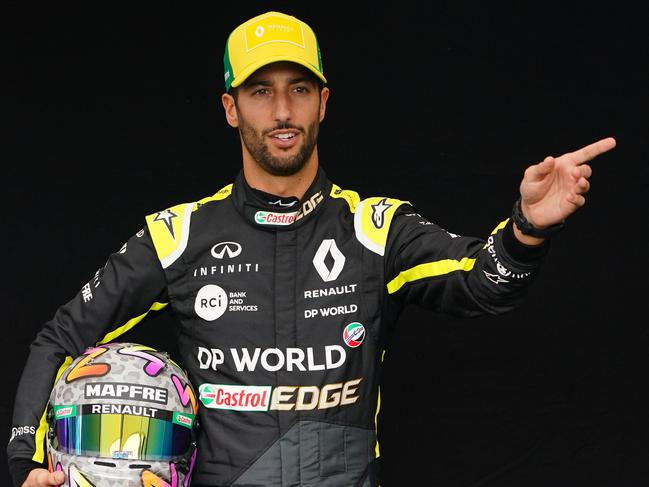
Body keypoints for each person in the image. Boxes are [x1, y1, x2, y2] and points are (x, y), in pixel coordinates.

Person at [7, 10, 616, 487]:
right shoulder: (178, 235)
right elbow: (62, 339)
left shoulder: (376, 228)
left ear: (323, 102)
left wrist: (529, 227)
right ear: (229, 107)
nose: (281, 111)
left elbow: (482, 283)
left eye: (299, 89)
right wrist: (23, 462)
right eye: (259, 91)